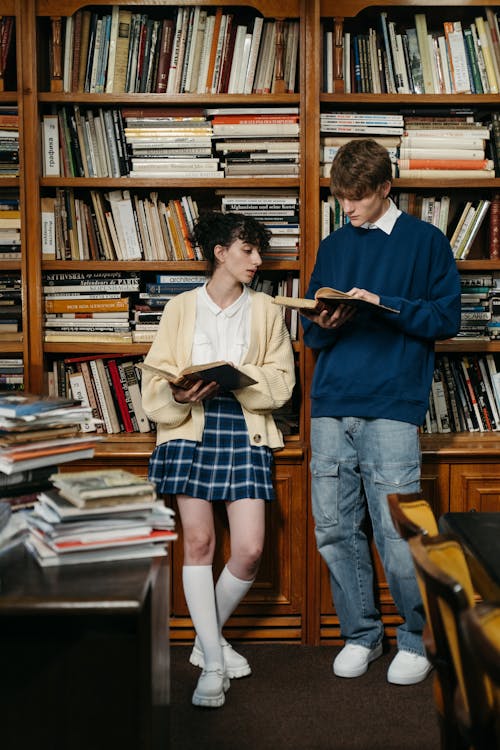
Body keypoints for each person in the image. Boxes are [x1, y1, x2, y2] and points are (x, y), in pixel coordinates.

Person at [301, 138, 461, 685]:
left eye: (358, 198)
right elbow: (309, 327)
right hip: (331, 402)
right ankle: (361, 634)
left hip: (393, 401)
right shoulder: (333, 243)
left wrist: (382, 305)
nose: (347, 208)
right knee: (334, 527)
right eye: (341, 197)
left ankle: (415, 638)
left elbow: (446, 319)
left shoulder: (426, 242)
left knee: (397, 532)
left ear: (385, 188)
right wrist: (320, 322)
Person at [141, 211, 295, 708]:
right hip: (189, 429)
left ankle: (206, 639)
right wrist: (180, 397)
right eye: (246, 250)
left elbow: (282, 383)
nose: (256, 260)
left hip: (243, 426)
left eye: (258, 252)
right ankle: (211, 661)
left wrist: (240, 373)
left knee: (249, 548)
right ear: (220, 253)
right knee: (201, 542)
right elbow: (155, 380)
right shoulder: (180, 308)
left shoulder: (268, 309)